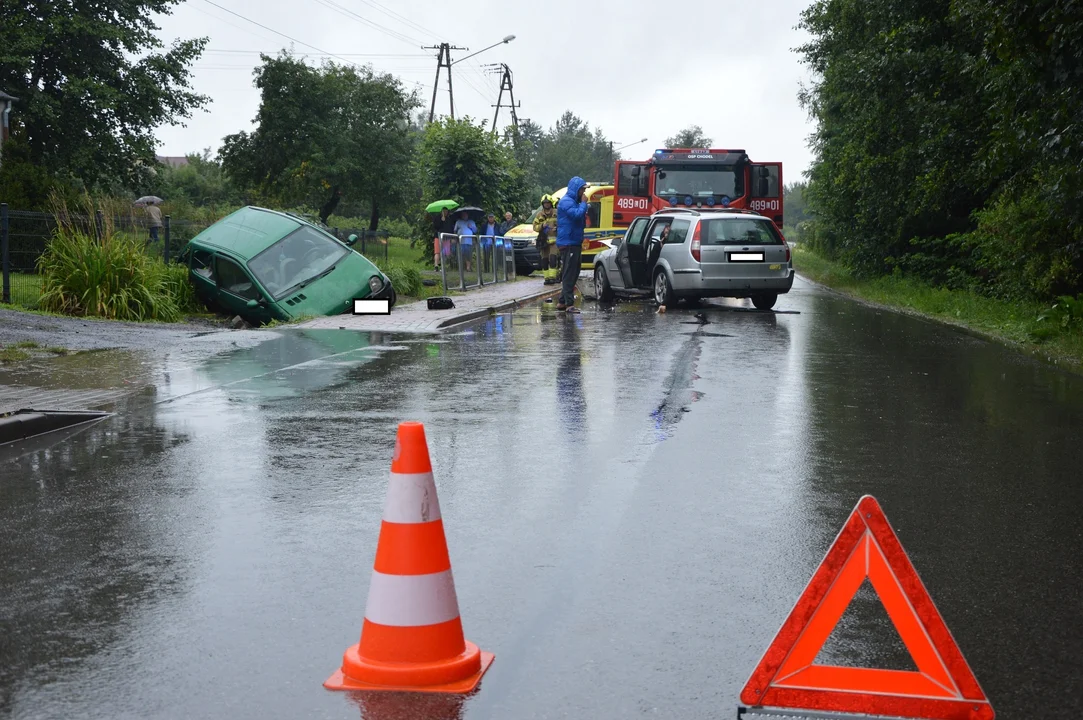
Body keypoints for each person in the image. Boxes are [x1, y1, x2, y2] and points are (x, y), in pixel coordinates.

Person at [556, 177, 589, 313]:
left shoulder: (572, 201)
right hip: (568, 242)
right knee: (569, 273)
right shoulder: (566, 202)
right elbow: (576, 215)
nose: (583, 192)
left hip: (574, 241)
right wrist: (583, 204)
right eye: (582, 189)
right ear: (576, 189)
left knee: (574, 271)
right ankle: (569, 304)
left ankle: (562, 301)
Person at [532, 195, 558, 285]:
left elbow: (563, 224)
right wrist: (541, 226)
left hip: (554, 241)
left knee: (553, 258)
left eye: (548, 203)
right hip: (543, 241)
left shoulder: (556, 213)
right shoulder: (539, 214)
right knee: (544, 260)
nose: (547, 204)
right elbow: (534, 227)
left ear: (551, 203)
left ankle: (552, 278)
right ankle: (546, 278)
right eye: (545, 203)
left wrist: (557, 228)